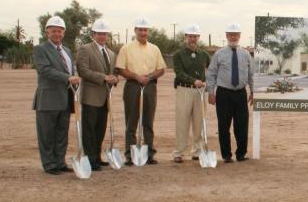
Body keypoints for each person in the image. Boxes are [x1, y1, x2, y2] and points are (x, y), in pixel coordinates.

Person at [32, 16, 81, 175]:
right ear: (47, 32)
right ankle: (49, 164)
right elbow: (45, 70)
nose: (57, 34)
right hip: (48, 99)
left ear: (64, 33)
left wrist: (74, 81)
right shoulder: (40, 49)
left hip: (65, 99)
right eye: (53, 31)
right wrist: (67, 78)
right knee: (46, 134)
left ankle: (60, 162)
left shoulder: (66, 50)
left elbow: (70, 72)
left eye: (60, 31)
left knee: (61, 134)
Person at [115, 17, 166, 165]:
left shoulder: (155, 48)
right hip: (132, 86)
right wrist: (136, 77)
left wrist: (149, 77)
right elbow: (120, 69)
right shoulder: (126, 48)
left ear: (148, 31)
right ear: (135, 31)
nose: (143, 32)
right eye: (140, 30)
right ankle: (130, 155)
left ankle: (149, 153)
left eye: (145, 30)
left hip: (150, 86)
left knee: (148, 121)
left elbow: (161, 69)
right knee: (131, 121)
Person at [207, 23, 254, 163]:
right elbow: (211, 74)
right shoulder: (219, 54)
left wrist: (253, 91)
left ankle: (241, 154)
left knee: (242, 125)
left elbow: (251, 75)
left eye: (236, 34)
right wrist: (211, 92)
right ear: (226, 36)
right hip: (223, 94)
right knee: (223, 125)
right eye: (231, 34)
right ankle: (226, 155)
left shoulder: (246, 54)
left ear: (239, 36)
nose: (233, 37)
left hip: (240, 94)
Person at [76, 20, 118, 171]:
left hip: (105, 97)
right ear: (93, 34)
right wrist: (103, 77)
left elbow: (114, 73)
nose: (102, 36)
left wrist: (114, 78)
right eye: (99, 33)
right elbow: (83, 71)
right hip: (91, 96)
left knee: (100, 129)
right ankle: (90, 159)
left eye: (104, 34)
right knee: (89, 130)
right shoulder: (85, 49)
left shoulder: (111, 53)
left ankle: (97, 157)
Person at [172, 24, 211, 163]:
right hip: (184, 90)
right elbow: (179, 73)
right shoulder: (178, 55)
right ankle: (179, 152)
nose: (192, 39)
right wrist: (193, 80)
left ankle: (197, 150)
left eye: (195, 36)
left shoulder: (204, 54)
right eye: (190, 36)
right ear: (185, 38)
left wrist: (207, 82)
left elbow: (211, 71)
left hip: (200, 91)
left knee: (199, 122)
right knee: (182, 121)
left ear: (198, 37)